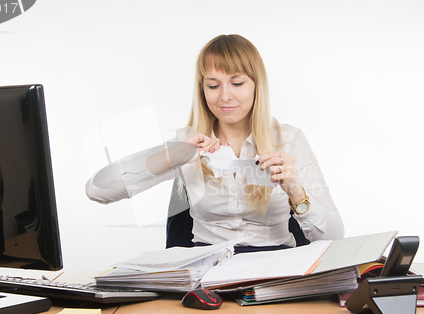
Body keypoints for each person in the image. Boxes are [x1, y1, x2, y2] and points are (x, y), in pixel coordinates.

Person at [86, 34, 344, 250]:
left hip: (274, 274)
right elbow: (97, 190)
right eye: (213, 85)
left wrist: (294, 190)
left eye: (237, 83)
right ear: (202, 89)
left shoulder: (288, 140)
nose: (225, 96)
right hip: (208, 274)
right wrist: (173, 156)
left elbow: (334, 238)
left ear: (256, 86)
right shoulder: (185, 142)